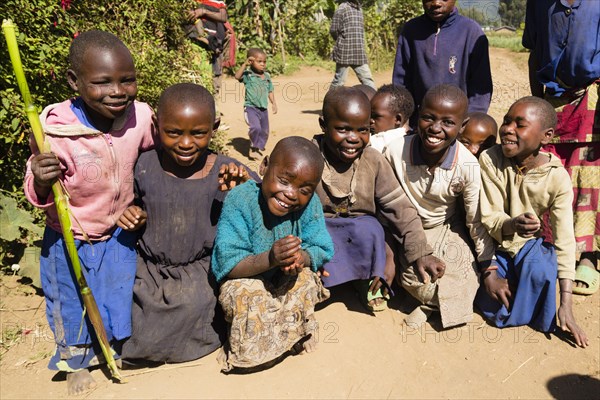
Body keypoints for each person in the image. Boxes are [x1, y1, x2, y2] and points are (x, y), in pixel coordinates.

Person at [23, 30, 155, 395]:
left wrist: (141, 206)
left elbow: (154, 165)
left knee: (117, 291)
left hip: (118, 232)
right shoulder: (53, 129)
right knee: (68, 298)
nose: (117, 91)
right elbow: (35, 189)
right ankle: (75, 360)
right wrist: (40, 178)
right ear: (74, 82)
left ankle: (112, 345)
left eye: (127, 80)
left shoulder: (142, 118)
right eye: (102, 82)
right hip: (69, 235)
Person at [120, 83, 257, 364]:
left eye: (198, 133)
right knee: (124, 304)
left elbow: (263, 210)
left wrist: (244, 189)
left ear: (214, 127)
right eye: (173, 132)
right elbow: (129, 204)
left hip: (201, 273)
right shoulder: (144, 165)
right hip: (149, 270)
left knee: (196, 305)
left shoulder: (227, 170)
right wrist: (134, 215)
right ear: (157, 126)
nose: (185, 143)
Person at [211, 136, 334, 372]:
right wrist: (270, 259)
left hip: (283, 281)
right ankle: (248, 348)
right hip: (247, 281)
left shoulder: (311, 206)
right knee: (246, 294)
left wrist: (303, 258)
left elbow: (322, 247)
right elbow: (227, 263)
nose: (291, 194)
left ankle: (297, 333)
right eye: (284, 181)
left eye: (304, 190)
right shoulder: (240, 200)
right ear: (264, 166)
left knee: (307, 281)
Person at [476, 96, 588, 348]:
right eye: (506, 121)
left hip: (528, 246)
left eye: (519, 124)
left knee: (541, 270)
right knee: (491, 298)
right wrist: (512, 224)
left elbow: (564, 239)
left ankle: (527, 293)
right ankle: (516, 292)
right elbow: (488, 217)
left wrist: (566, 305)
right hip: (493, 245)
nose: (507, 129)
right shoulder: (490, 159)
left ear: (546, 136)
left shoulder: (557, 177)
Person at [313, 87, 439, 312]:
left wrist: (421, 252)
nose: (353, 138)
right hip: (318, 233)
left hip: (359, 237)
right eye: (342, 129)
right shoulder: (309, 155)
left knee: (371, 229)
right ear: (323, 125)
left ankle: (364, 281)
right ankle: (315, 283)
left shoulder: (373, 160)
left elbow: (400, 209)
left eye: (362, 130)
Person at [384, 84, 496, 328]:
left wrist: (490, 267)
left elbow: (474, 221)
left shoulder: (467, 165)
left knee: (465, 274)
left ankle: (429, 306)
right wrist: (390, 250)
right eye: (428, 118)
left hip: (447, 225)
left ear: (462, 126)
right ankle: (430, 302)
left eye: (447, 122)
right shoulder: (394, 151)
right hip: (407, 228)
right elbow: (383, 203)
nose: (435, 128)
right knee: (415, 277)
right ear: (417, 117)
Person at [523, 0, 600, 295]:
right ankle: (549, 248)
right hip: (552, 97)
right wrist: (536, 102)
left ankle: (588, 256)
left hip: (593, 96)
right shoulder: (540, 3)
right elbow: (533, 50)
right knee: (550, 173)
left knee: (588, 176)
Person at [392, 0, 492, 127]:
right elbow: (401, 82)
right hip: (420, 124)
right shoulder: (411, 31)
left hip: (457, 124)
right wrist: (406, 123)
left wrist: (468, 124)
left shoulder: (471, 32)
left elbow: (480, 88)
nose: (436, 3)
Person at [234, 48, 278, 161]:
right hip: (251, 108)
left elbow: (270, 90)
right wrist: (244, 64)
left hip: (263, 109)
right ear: (251, 61)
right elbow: (237, 76)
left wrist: (274, 103)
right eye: (259, 61)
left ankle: (259, 146)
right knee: (255, 127)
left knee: (265, 131)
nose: (263, 64)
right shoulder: (248, 75)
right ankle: (253, 148)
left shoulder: (267, 76)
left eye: (264, 61)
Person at [329, 0, 376, 90]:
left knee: (368, 80)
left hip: (358, 52)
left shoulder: (359, 10)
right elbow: (333, 30)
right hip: (344, 52)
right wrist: (340, 40)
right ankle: (330, 103)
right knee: (339, 81)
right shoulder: (342, 8)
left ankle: (375, 103)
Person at [188, 0, 228, 96]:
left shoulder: (218, 1)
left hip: (214, 45)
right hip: (196, 43)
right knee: (195, 75)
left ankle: (211, 105)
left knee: (213, 77)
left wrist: (204, 12)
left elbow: (223, 17)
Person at [370, 84, 415, 153]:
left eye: (376, 116)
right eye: (369, 115)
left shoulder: (378, 142)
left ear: (397, 119)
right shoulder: (409, 138)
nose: (370, 120)